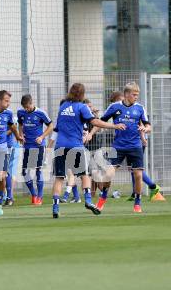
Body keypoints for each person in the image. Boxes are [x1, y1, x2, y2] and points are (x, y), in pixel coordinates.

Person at [51, 83, 125, 219]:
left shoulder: (63, 106)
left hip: (60, 146)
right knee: (84, 175)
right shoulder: (82, 107)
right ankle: (89, 201)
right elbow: (96, 122)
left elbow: (59, 126)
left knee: (59, 178)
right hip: (75, 146)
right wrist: (114, 125)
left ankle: (55, 207)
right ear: (82, 94)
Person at [93, 82, 151, 213]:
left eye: (137, 95)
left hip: (135, 146)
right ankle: (102, 198)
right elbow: (100, 121)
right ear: (126, 94)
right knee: (108, 174)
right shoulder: (114, 107)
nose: (136, 97)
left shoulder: (140, 108)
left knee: (137, 175)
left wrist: (145, 128)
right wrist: (91, 133)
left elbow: (149, 126)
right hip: (117, 146)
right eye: (134, 94)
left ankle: (137, 202)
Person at [17, 94, 53, 205]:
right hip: (27, 146)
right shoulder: (21, 113)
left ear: (32, 103)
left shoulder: (41, 113)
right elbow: (20, 124)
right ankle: (33, 194)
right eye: (25, 107)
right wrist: (20, 134)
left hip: (39, 146)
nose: (26, 109)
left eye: (28, 107)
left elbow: (51, 126)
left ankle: (40, 197)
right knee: (24, 171)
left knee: (38, 170)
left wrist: (42, 137)